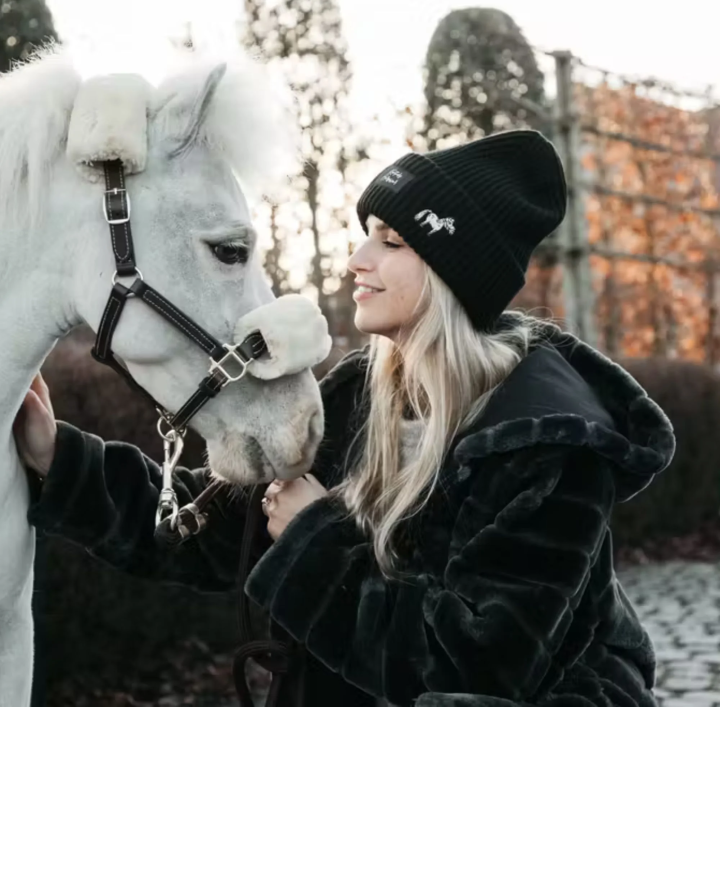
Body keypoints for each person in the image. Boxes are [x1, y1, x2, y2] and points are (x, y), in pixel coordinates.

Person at [15, 130, 676, 707]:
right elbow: (218, 532)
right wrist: (60, 458)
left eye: (391, 242)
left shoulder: (549, 442)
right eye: (366, 237)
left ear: (455, 275)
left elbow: (480, 663)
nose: (359, 261)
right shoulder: (364, 393)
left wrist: (314, 535)